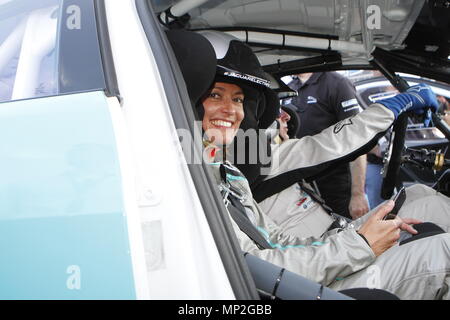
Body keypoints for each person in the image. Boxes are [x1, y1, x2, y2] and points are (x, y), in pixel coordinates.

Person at [185, 30, 450, 299]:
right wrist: (360, 243)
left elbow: (277, 242)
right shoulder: (236, 164)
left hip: (325, 256)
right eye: (215, 95)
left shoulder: (228, 171)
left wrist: (358, 232)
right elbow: (331, 144)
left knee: (420, 197)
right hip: (309, 279)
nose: (283, 116)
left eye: (239, 100)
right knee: (444, 250)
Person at [288, 72, 369, 219]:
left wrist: (358, 194)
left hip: (337, 184)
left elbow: (357, 140)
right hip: (303, 185)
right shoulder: (289, 88)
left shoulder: (337, 83)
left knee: (345, 233)